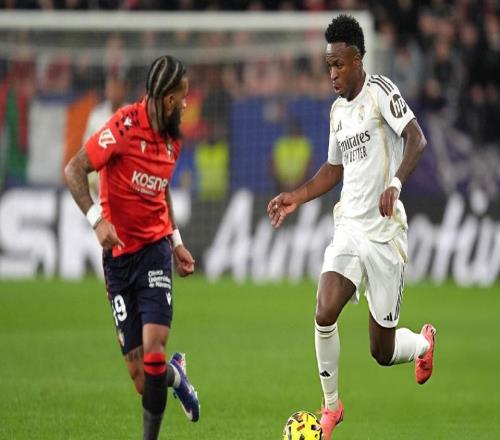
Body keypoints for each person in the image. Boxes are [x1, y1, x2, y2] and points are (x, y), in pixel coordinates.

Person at [267, 15, 435, 440]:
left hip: (385, 235)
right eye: (329, 66)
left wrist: (395, 185)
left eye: (339, 65)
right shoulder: (337, 112)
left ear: (357, 60)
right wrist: (296, 196)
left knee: (382, 350)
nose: (333, 74)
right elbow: (333, 169)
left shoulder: (381, 93)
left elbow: (417, 139)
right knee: (324, 311)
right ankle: (331, 407)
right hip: (350, 228)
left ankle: (423, 344)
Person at [64, 55, 200, 440]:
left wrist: (175, 241)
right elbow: (74, 170)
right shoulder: (122, 128)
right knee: (143, 378)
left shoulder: (173, 139)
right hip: (119, 260)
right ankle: (177, 376)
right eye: (183, 96)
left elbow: (161, 188)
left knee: (154, 351)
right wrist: (97, 220)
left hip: (155, 252)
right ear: (168, 99)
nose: (186, 104)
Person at [82, 71, 128, 196]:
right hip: (98, 186)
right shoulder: (96, 116)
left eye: (117, 88)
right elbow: (86, 150)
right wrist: (91, 180)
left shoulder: (132, 116)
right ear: (106, 90)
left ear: (124, 90)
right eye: (111, 88)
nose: (114, 92)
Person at [271, 118, 312, 192]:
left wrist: (298, 183)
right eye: (291, 129)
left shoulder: (304, 144)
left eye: (295, 129)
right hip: (281, 186)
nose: (293, 132)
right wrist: (282, 183)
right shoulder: (281, 144)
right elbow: (273, 165)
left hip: (301, 185)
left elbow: (309, 166)